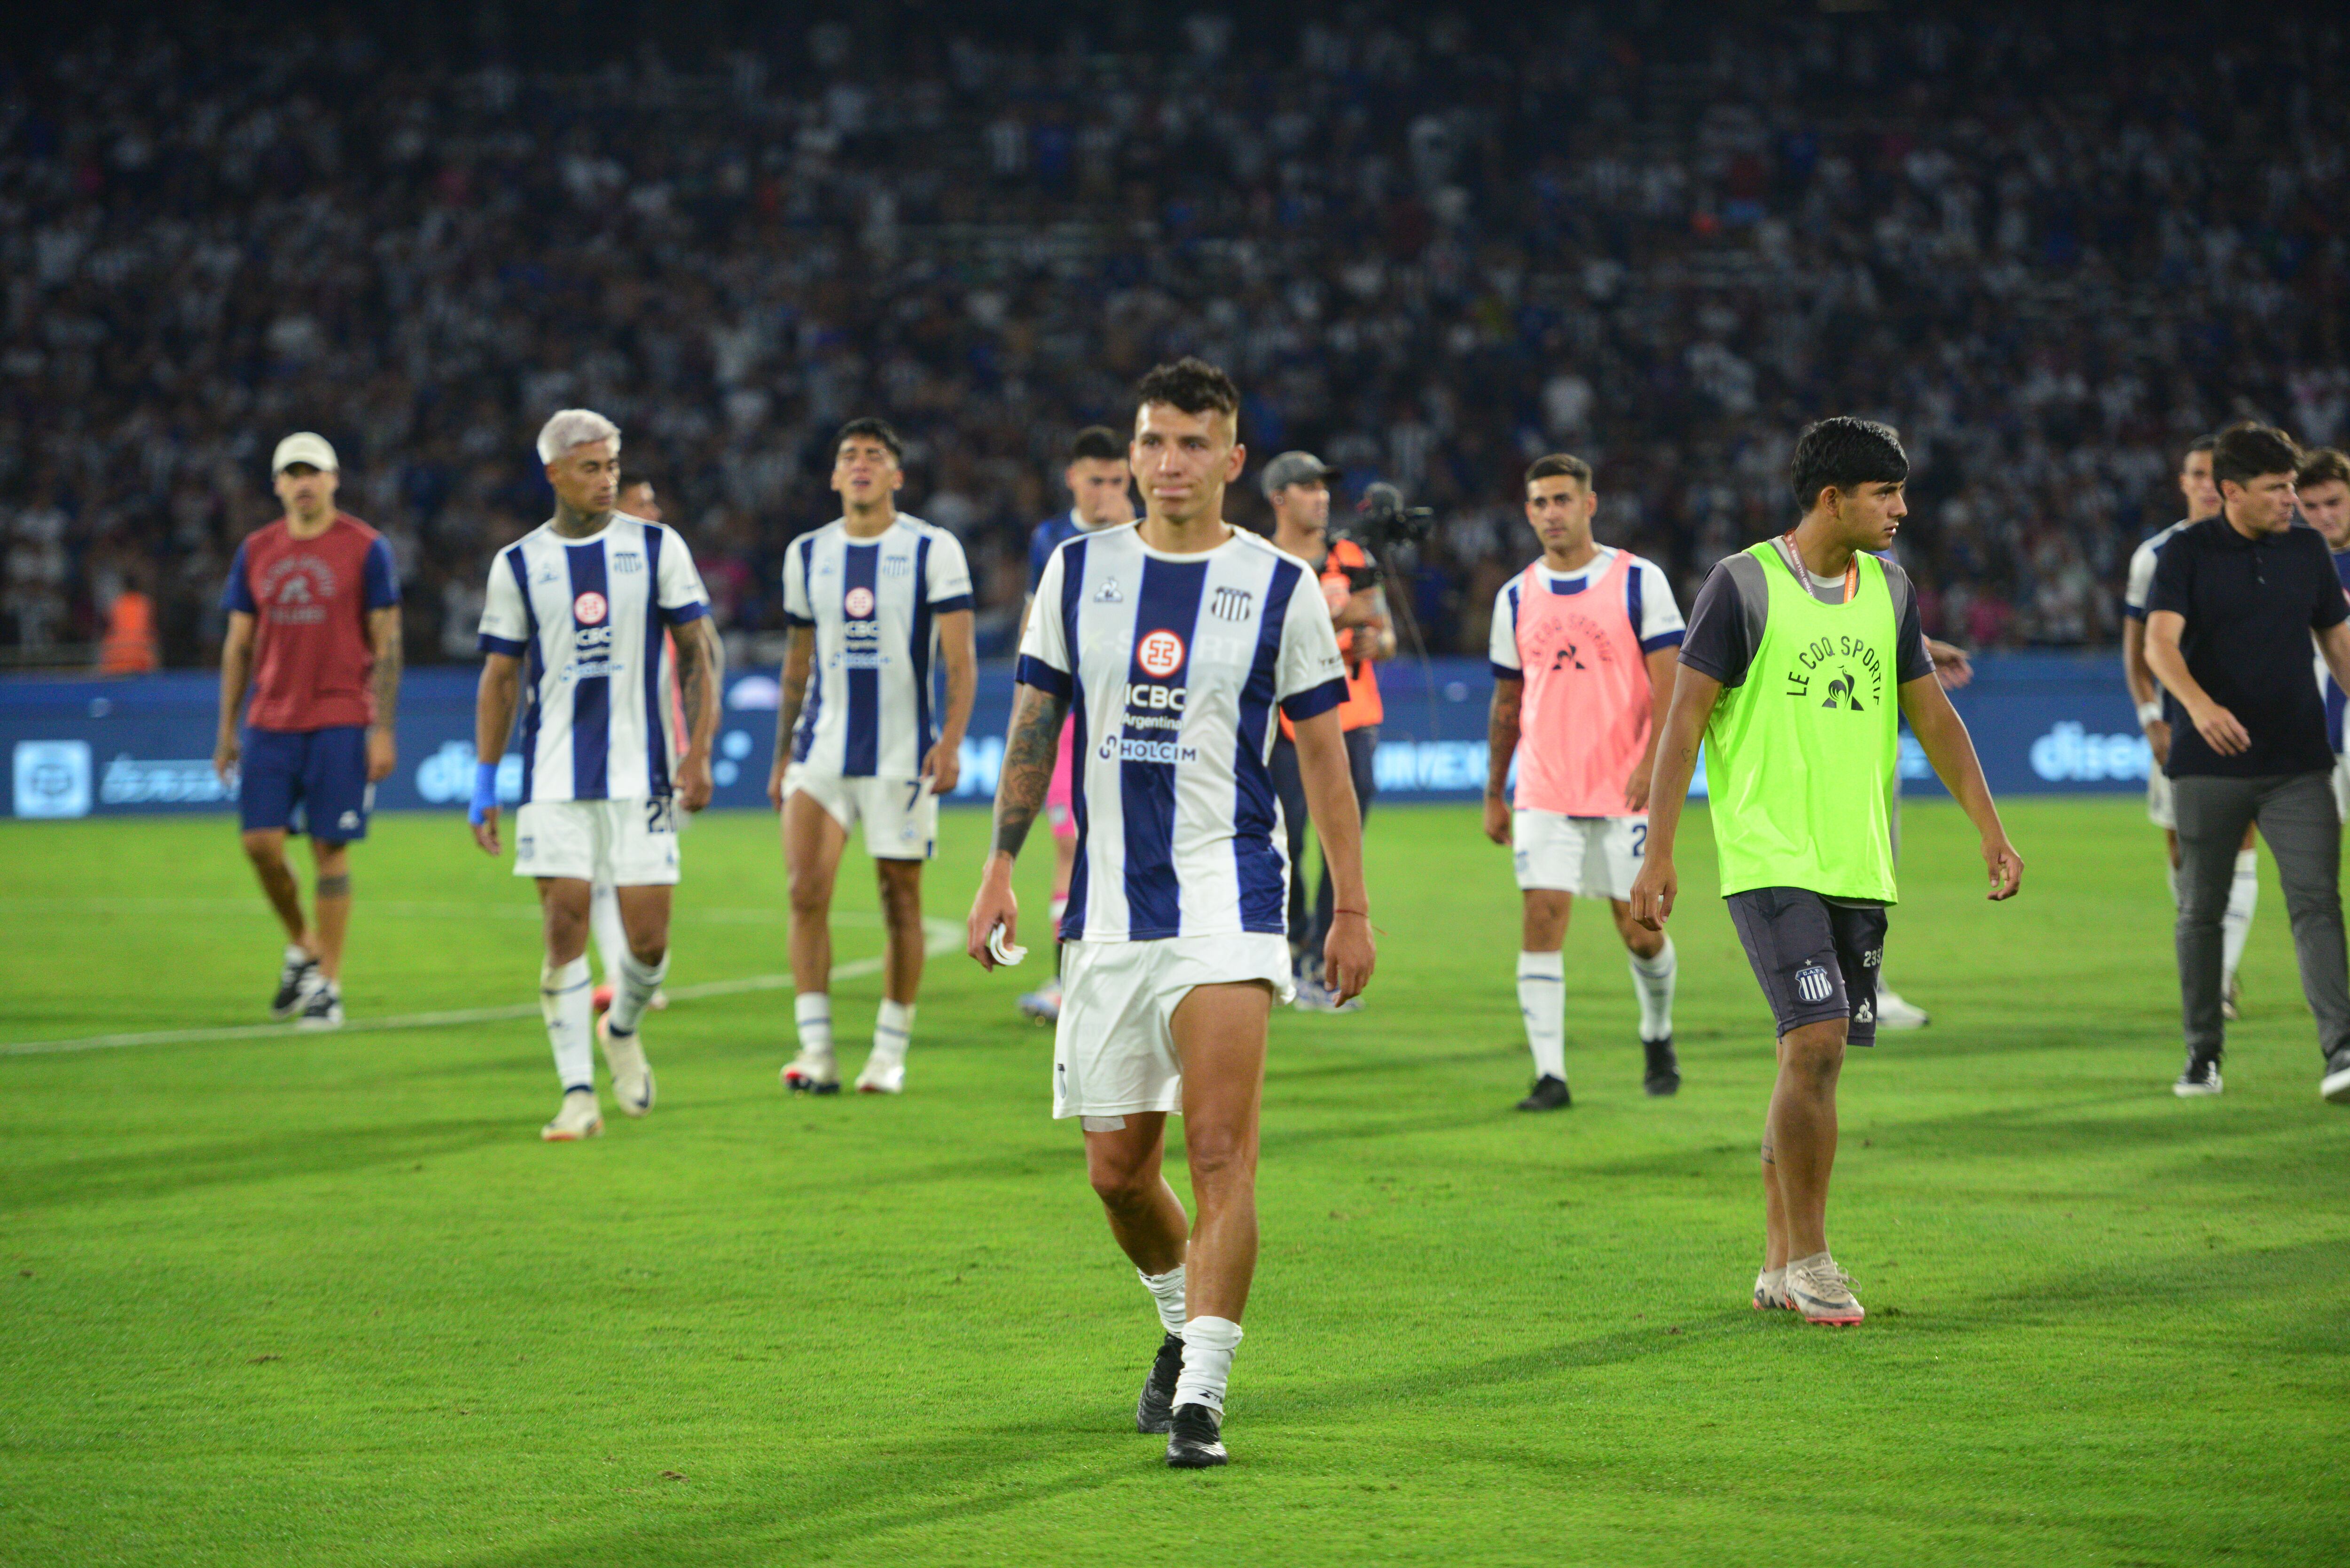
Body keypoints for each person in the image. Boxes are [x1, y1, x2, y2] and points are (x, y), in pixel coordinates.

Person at [966, 358, 1375, 1468]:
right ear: (1132, 454)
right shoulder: (1074, 571)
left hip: (1230, 900)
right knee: (1115, 1170)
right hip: (1105, 912)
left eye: (1195, 443)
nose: (1171, 462)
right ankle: (1175, 1313)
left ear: (1233, 460)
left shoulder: (1281, 586)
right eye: (1154, 441)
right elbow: (1033, 723)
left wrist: (1347, 905)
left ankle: (1203, 1392)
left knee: (1220, 1149)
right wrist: (1000, 865)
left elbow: (1325, 758)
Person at [1631, 417, 2023, 1327]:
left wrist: (1989, 829)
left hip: (1858, 860)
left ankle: (1775, 1261)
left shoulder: (1889, 590)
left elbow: (1933, 719)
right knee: (1815, 1041)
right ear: (1829, 499)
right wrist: (1658, 848)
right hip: (1769, 855)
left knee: (1805, 1063)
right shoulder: (1740, 587)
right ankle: (1811, 1258)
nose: (1900, 510)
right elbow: (1684, 722)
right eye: (1884, 494)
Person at [470, 410, 722, 1140]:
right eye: (592, 467)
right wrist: (485, 783)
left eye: (613, 465)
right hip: (552, 778)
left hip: (643, 774)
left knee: (648, 942)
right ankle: (577, 1095)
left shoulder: (655, 547)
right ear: (553, 473)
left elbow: (696, 654)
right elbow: (499, 677)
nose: (608, 478)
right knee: (564, 925)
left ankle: (623, 1027)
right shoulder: (517, 563)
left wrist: (697, 752)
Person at [2143, 422, 2350, 1104]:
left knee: (2317, 903)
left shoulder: (2307, 550)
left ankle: (2341, 1051)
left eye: (2294, 486)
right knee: (2202, 910)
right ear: (2231, 491)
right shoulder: (2186, 552)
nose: (2293, 500)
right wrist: (2197, 708)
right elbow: (2159, 646)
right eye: (2276, 489)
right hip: (2209, 764)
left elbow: (2341, 646)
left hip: (2298, 760)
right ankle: (2203, 1053)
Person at [770, 419, 977, 1095]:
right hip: (821, 751)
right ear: (833, 476)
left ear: (897, 476)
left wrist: (949, 740)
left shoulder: (932, 549)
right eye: (849, 456)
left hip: (902, 758)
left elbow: (960, 659)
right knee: (806, 890)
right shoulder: (806, 554)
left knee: (900, 902)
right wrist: (781, 758)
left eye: (875, 456)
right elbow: (798, 662)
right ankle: (817, 1051)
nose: (860, 465)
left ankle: (889, 1054)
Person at [1483, 452, 1685, 1108]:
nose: (1551, 514)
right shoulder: (1515, 596)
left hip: (1623, 789)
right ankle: (1550, 1075)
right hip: (1544, 790)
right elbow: (1508, 701)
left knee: (1640, 931)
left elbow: (1672, 689)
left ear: (1590, 504)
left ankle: (1657, 1031)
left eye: (1562, 500)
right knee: (1542, 918)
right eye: (1539, 503)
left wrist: (1652, 765)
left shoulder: (1637, 581)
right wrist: (1495, 789)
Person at [212, 432, 403, 1029]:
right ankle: (303, 943)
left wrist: (383, 729)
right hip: (271, 719)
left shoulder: (367, 548)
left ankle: (329, 985)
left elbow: (388, 642)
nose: (303, 482)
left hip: (341, 717)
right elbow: (239, 644)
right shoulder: (256, 550)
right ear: (277, 485)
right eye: (292, 473)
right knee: (260, 845)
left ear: (333, 479)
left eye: (313, 472)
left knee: (329, 848)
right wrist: (226, 728)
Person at [2124, 436, 2257, 1020]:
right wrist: (2150, 716)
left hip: (2247, 722)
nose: (2206, 484)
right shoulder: (2154, 554)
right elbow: (2136, 651)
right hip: (2177, 726)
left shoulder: (2265, 549)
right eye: (2196, 474)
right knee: (2182, 846)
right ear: (2183, 482)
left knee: (2241, 844)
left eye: (2215, 474)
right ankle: (2205, 958)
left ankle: (2218, 977)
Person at [1263, 450, 1394, 1008]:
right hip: (1285, 720)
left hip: (1354, 715)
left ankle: (1320, 952)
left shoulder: (1351, 555)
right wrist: (1340, 618)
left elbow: (1385, 634)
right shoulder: (1258, 561)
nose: (1320, 496)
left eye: (1323, 487)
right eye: (1306, 487)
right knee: (1285, 838)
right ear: (1278, 498)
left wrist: (1375, 643)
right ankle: (1289, 947)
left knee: (1340, 838)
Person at [1015, 426, 1136, 1024]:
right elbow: (1036, 617)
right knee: (1068, 841)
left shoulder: (1145, 535)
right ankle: (1069, 978)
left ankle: (1126, 971)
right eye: (1096, 480)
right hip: (1069, 711)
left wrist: (1124, 531)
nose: (1106, 492)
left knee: (1125, 840)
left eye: (1117, 480)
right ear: (1072, 479)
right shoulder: (1051, 539)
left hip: (1131, 708)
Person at [589, 469, 675, 1018]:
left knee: (640, 871)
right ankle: (617, 971)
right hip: (595, 754)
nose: (655, 512)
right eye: (643, 502)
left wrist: (691, 749)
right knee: (599, 868)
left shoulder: (662, 566)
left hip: (653, 755)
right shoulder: (585, 570)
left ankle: (637, 971)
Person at [2295, 448, 2350, 818]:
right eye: (2311, 506)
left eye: (2334, 502)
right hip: (2310, 740)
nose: (2324, 515)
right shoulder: (2288, 566)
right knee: (2314, 869)